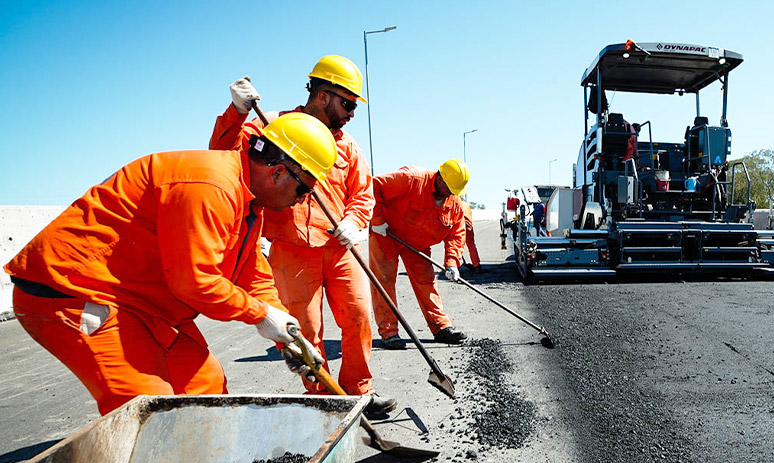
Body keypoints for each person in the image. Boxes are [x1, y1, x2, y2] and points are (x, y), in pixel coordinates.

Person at [5, 115, 335, 416]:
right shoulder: (211, 187)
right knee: (148, 408)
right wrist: (262, 315)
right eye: (304, 189)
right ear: (278, 172)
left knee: (205, 387)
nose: (302, 199)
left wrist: (290, 337)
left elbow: (253, 274)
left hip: (143, 305)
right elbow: (195, 282)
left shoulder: (248, 202)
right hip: (75, 292)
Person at [210, 56, 394, 419]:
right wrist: (235, 112)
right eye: (348, 103)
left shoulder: (349, 147)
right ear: (323, 96)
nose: (352, 113)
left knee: (357, 316)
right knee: (304, 330)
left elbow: (363, 194)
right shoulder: (272, 128)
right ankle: (326, 398)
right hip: (290, 250)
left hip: (340, 249)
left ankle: (359, 390)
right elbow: (222, 155)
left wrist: (354, 221)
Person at [369, 160, 470, 346]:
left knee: (426, 282)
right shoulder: (411, 178)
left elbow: (457, 233)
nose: (451, 193)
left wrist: (452, 262)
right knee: (383, 282)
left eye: (455, 190)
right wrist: (377, 220)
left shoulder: (454, 203)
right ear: (440, 177)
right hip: (386, 235)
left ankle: (440, 328)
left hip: (417, 245)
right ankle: (389, 333)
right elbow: (374, 185)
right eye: (449, 188)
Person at [461, 203, 482, 272]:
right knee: (471, 245)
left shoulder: (454, 203)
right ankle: (477, 265)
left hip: (459, 226)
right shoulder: (466, 205)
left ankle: (451, 265)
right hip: (468, 226)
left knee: (454, 245)